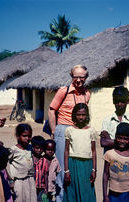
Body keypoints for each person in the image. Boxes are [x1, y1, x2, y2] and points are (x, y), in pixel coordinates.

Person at [48, 64, 90, 202]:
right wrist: (54, 131)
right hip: (63, 129)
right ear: (71, 76)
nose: (78, 80)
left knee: (73, 166)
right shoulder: (63, 91)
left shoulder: (87, 94)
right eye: (75, 77)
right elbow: (51, 110)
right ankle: (59, 198)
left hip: (78, 132)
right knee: (61, 167)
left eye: (81, 77)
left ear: (86, 77)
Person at [64, 103, 97, 202]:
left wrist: (94, 169)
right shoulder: (69, 130)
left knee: (87, 190)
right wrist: (66, 170)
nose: (81, 117)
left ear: (87, 115)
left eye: (83, 115)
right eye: (78, 115)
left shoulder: (91, 131)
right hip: (73, 163)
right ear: (74, 115)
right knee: (72, 190)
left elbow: (94, 151)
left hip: (87, 165)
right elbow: (66, 151)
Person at [103, 122, 129, 202]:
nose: (122, 141)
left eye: (126, 139)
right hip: (114, 193)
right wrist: (105, 195)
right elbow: (105, 174)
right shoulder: (109, 154)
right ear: (115, 137)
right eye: (119, 138)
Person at [100, 86, 129, 153]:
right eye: (117, 101)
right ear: (113, 101)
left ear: (127, 101)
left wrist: (111, 141)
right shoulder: (107, 120)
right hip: (111, 159)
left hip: (128, 160)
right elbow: (103, 142)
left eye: (122, 101)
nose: (119, 104)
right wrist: (127, 142)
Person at [7, 123, 36, 202]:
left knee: (31, 198)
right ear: (17, 136)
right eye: (24, 136)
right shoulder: (13, 150)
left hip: (30, 180)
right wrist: (10, 179)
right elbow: (4, 163)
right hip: (18, 181)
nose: (27, 138)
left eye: (29, 136)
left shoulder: (30, 148)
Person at [31, 135, 48, 201]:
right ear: (33, 147)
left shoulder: (44, 160)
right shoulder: (30, 159)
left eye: (41, 148)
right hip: (31, 187)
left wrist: (46, 188)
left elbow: (46, 174)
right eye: (37, 148)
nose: (39, 150)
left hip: (41, 187)